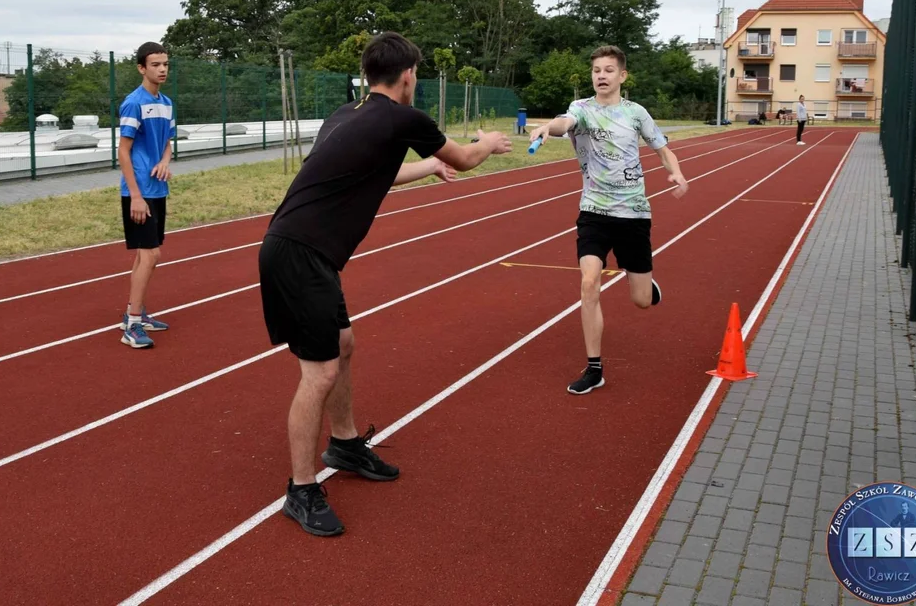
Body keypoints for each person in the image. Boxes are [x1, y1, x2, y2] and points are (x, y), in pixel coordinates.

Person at [258, 31, 513, 537]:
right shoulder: (404, 117)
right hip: (300, 255)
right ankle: (302, 488)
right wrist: (486, 143)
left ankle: (345, 443)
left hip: (301, 250)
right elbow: (466, 158)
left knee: (343, 344)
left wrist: (428, 165)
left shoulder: (346, 115)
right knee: (320, 373)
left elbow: (374, 174)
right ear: (409, 76)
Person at [527, 45, 688, 395]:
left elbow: (662, 148)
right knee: (589, 282)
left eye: (608, 70)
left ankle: (646, 284)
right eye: (596, 70)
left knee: (641, 300)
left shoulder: (636, 113)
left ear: (622, 76)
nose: (601, 75)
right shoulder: (581, 109)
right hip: (594, 211)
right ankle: (594, 368)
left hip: (633, 213)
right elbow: (566, 123)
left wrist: (675, 172)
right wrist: (547, 128)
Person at [117, 41, 175, 349]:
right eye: (155, 64)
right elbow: (122, 152)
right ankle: (133, 323)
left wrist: (166, 161)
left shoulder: (166, 102)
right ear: (142, 68)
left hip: (158, 188)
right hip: (138, 191)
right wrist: (135, 196)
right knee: (151, 254)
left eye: (165, 64)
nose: (162, 69)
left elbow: (167, 141)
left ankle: (134, 314)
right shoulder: (133, 103)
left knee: (145, 254)